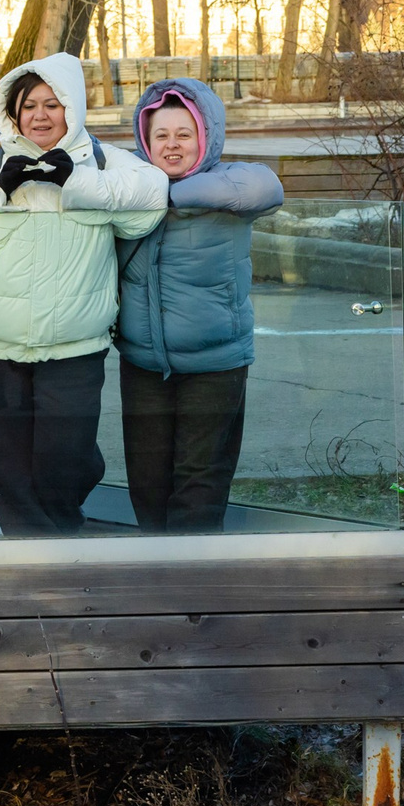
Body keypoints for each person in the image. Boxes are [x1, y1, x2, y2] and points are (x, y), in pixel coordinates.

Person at [0, 52, 168, 536]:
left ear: (72, 109)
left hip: (73, 348)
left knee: (67, 461)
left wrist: (74, 183)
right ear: (12, 114)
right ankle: (41, 564)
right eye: (29, 105)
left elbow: (151, 200)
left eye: (53, 104)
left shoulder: (103, 162)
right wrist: (1, 193)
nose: (41, 115)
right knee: (9, 473)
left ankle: (56, 536)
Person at [117, 77, 286, 533]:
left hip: (215, 365)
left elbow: (268, 187)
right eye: (161, 136)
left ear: (204, 137)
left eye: (183, 134)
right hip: (143, 364)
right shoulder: (129, 184)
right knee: (147, 481)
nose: (172, 146)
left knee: (200, 481)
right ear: (144, 141)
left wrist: (168, 195)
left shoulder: (227, 188)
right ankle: (158, 580)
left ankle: (193, 590)